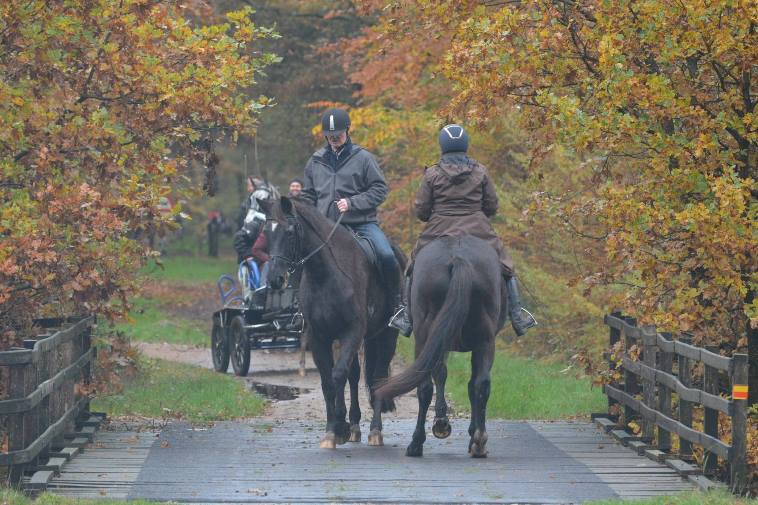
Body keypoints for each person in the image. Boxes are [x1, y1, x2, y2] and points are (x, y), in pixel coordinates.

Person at [389, 124, 537, 337]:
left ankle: (405, 315)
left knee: (413, 265)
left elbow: (422, 209)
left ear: (443, 146)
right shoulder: (481, 171)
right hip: (477, 226)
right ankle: (517, 314)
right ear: (465, 145)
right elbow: (492, 206)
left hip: (439, 227)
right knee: (506, 265)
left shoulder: (432, 174)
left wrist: (435, 215)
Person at [301, 107, 403, 326]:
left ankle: (398, 308)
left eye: (337, 134)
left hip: (361, 224)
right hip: (325, 227)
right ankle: (298, 311)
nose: (333, 139)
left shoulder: (364, 158)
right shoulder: (315, 161)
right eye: (329, 136)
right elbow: (308, 194)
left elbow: (379, 189)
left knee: (386, 255)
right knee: (299, 255)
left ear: (347, 130)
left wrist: (352, 203)